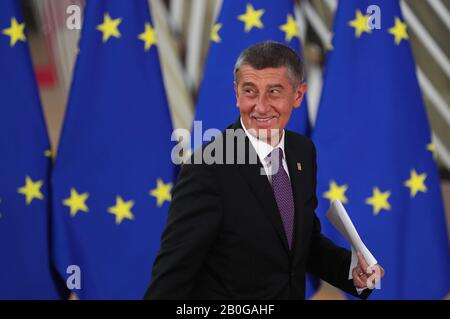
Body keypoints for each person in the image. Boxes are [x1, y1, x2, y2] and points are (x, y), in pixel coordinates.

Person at [145, 41, 384, 300]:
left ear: (298, 95)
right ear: (237, 94)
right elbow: (171, 279)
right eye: (250, 91)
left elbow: (300, 242)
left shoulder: (302, 151)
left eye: (274, 92)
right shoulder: (207, 169)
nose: (260, 106)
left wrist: (351, 272)